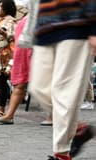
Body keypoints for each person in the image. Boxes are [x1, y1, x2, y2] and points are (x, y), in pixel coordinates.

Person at [28, 1, 96, 159]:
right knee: (38, 88)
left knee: (65, 93)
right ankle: (78, 128)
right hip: (44, 29)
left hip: (76, 25)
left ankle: (62, 153)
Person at [0, 16, 31, 124]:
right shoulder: (26, 17)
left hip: (30, 52)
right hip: (23, 52)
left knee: (44, 87)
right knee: (19, 85)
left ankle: (57, 116)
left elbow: (10, 39)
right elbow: (13, 37)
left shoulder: (42, 12)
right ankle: (9, 115)